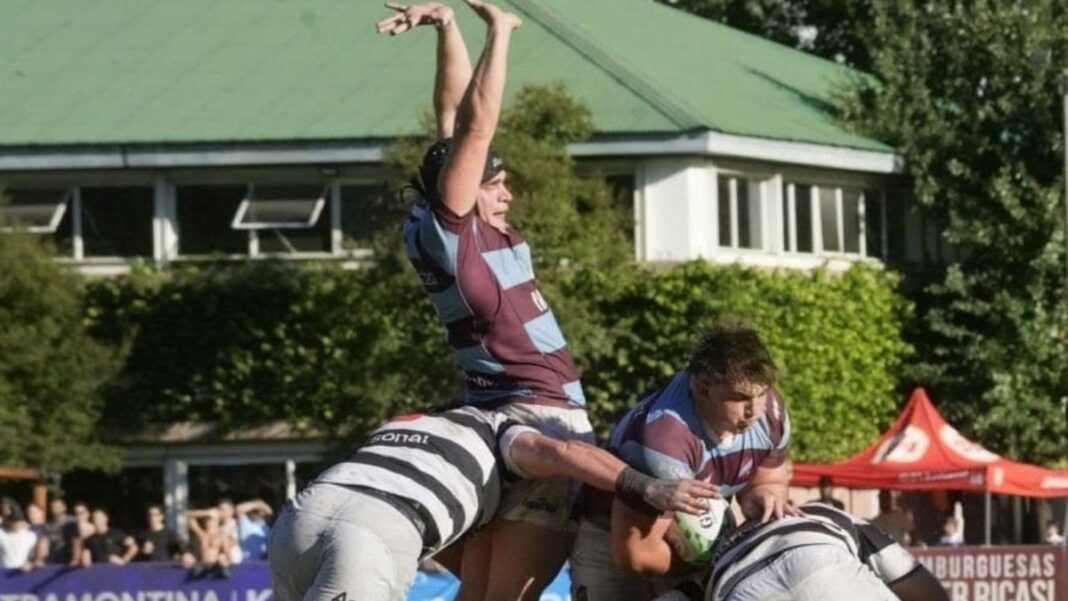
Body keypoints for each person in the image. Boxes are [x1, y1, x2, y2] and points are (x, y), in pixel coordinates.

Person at [384, 1, 595, 598]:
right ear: (464, 186)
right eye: (495, 182)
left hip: (496, 413)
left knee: (476, 595)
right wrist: (499, 33)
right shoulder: (454, 232)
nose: (507, 192)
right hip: (537, 414)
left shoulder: (437, 217)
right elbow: (475, 127)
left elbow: (451, 115)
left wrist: (448, 25)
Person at [268, 404, 719, 601]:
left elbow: (438, 540)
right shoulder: (494, 427)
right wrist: (643, 486)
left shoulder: (400, 424)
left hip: (301, 513)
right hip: (376, 529)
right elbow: (559, 453)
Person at [570, 322, 795, 601]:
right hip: (613, 540)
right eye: (738, 398)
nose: (753, 410)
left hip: (691, 548)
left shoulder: (770, 412)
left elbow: (769, 479)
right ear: (702, 388)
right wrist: (714, 563)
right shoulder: (664, 440)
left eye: (761, 393)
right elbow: (636, 554)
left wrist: (762, 495)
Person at [654, 502, 949, 601]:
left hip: (739, 588)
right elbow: (921, 587)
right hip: (815, 556)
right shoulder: (811, 513)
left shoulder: (699, 583)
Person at [186, 506, 235, 577]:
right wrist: (206, 513)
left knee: (221, 559)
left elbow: (228, 556)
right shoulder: (202, 534)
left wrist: (224, 561)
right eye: (207, 518)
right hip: (202, 567)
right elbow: (188, 516)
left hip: (216, 567)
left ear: (217, 520)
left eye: (211, 519)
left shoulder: (222, 536)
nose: (208, 521)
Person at [0, 506, 38, 570]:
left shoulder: (31, 536)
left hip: (23, 572)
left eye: (19, 521)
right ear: (9, 522)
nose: (16, 524)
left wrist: (30, 563)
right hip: (4, 572)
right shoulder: (2, 535)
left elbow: (35, 554)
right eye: (13, 521)